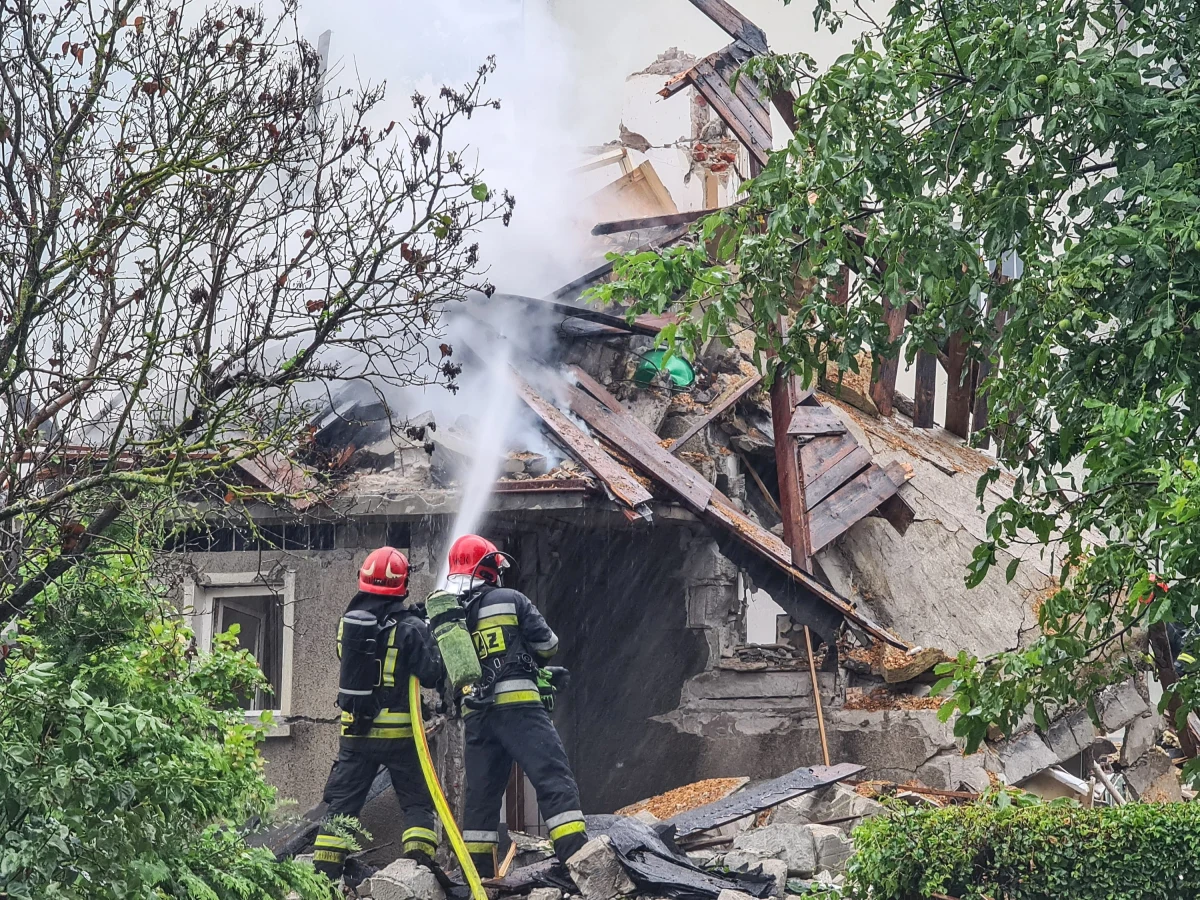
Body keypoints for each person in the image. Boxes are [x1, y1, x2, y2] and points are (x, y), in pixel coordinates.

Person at [436, 534, 588, 876]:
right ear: (490, 569)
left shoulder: (451, 617)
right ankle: (578, 859)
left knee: (481, 798)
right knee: (552, 777)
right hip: (519, 709)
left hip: (476, 716)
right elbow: (548, 645)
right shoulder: (510, 599)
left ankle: (480, 877)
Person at [313, 546, 444, 884]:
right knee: (417, 801)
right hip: (399, 734)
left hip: (355, 732)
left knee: (342, 806)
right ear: (401, 584)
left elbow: (348, 660)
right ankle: (418, 871)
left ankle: (321, 879)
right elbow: (431, 674)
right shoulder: (411, 627)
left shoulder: (349, 624)